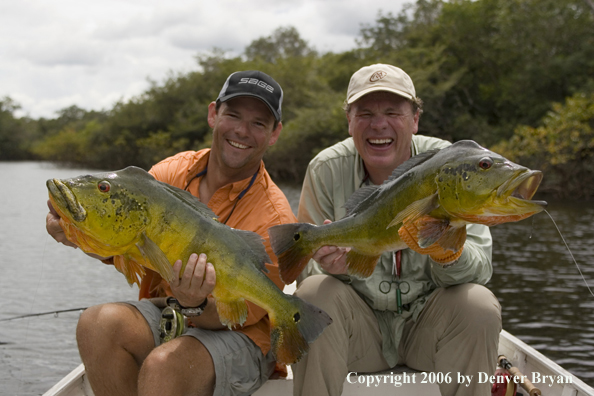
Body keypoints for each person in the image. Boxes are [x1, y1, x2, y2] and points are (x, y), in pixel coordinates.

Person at [46, 70, 298, 396]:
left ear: (275, 133)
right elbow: (120, 244)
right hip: (174, 310)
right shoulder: (168, 174)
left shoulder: (276, 219)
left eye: (258, 123)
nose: (241, 130)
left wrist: (193, 303)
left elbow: (235, 318)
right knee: (97, 325)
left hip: (240, 333)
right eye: (233, 115)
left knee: (164, 366)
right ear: (213, 114)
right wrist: (74, 232)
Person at [292, 64, 502, 396]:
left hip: (428, 333)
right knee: (313, 293)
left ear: (415, 119)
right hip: (358, 336)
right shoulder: (324, 169)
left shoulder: (458, 167)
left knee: (478, 304)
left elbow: (481, 268)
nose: (379, 124)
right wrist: (337, 267)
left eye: (393, 111)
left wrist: (447, 253)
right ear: (349, 120)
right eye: (365, 113)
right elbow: (305, 270)